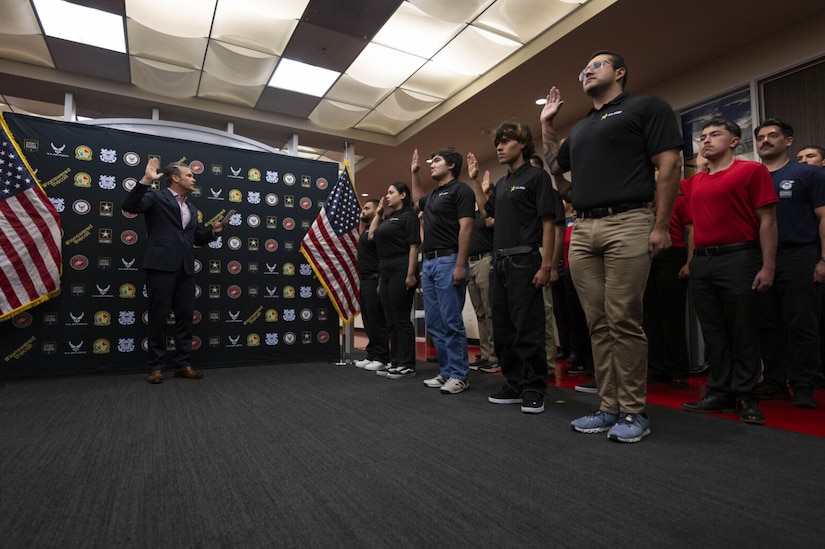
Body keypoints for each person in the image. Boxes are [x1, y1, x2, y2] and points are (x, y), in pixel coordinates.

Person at [540, 50, 683, 442]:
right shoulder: (582, 128)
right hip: (584, 230)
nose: (587, 69)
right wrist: (546, 125)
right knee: (597, 323)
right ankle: (608, 408)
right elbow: (555, 167)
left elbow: (668, 166)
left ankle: (634, 412)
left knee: (623, 318)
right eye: (584, 66)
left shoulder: (645, 107)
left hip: (630, 221)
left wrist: (660, 225)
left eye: (597, 64)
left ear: (620, 72)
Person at [680, 118, 778, 424]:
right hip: (703, 261)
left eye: (715, 135)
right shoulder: (694, 182)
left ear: (734, 141)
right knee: (713, 330)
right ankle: (719, 390)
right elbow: (668, 185)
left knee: (743, 329)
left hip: (739, 256)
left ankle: (746, 395)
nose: (706, 140)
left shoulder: (751, 170)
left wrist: (768, 266)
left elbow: (768, 221)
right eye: (703, 136)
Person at [467, 120, 561, 414]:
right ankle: (515, 382)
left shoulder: (536, 177)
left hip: (525, 259)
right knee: (503, 325)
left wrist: (547, 265)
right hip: (500, 262)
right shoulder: (504, 183)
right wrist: (473, 180)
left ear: (521, 144)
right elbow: (487, 213)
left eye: (505, 141)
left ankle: (534, 387)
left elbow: (549, 222)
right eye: (498, 142)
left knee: (527, 326)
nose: (499, 146)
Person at [122, 158, 223, 384]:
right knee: (158, 318)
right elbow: (130, 206)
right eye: (189, 175)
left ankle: (183, 364)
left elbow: (196, 238)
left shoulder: (192, 207)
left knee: (185, 318)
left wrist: (214, 232)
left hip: (185, 269)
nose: (193, 178)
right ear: (175, 178)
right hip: (161, 266)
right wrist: (147, 180)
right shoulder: (156, 197)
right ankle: (156, 367)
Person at [752, 119, 825, 409]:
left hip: (800, 256)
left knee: (802, 324)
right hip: (760, 259)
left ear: (788, 141)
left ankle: (804, 384)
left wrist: (823, 259)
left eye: (773, 136)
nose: (765, 141)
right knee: (767, 324)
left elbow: (823, 216)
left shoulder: (808, 174)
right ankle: (774, 382)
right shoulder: (751, 176)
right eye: (760, 137)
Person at [411, 148, 475, 394]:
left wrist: (461, 264)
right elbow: (418, 201)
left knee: (451, 321)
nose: (432, 164)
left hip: (449, 260)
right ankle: (447, 372)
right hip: (428, 262)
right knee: (435, 323)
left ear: (451, 165)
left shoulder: (461, 191)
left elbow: (467, 228)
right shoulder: (435, 194)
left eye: (436, 160)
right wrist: (415, 173)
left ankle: (460, 375)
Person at [368, 182, 420, 378]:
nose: (387, 196)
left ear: (403, 194)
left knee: (400, 318)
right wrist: (379, 213)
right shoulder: (389, 217)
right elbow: (371, 236)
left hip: (401, 265)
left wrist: (410, 274)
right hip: (385, 267)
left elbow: (414, 246)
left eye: (391, 192)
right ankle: (396, 360)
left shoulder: (409, 216)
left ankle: (407, 364)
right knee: (389, 318)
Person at [643, 191, 693, 389]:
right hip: (645, 256)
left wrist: (689, 262)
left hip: (673, 254)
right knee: (649, 316)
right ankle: (655, 368)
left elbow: (691, 229)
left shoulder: (677, 198)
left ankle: (677, 370)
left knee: (672, 315)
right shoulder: (640, 201)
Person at [529, 154, 565, 380]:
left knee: (545, 311)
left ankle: (549, 365)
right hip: (523, 253)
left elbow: (558, 230)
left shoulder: (550, 194)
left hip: (543, 252)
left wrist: (551, 264)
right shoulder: (520, 194)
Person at [466, 169, 499, 374]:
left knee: (490, 311)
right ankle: (486, 355)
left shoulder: (489, 215)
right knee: (479, 313)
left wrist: (485, 191)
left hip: (485, 261)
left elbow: (491, 221)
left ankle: (496, 357)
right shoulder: (471, 215)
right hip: (469, 263)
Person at [355, 199, 391, 372]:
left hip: (375, 278)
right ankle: (372, 354)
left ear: (378, 210)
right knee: (368, 320)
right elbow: (362, 230)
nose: (363, 210)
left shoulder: (379, 231)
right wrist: (363, 217)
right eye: (363, 207)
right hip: (365, 280)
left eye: (367, 208)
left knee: (377, 320)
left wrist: (380, 281)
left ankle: (382, 357)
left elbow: (384, 256)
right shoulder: (367, 230)